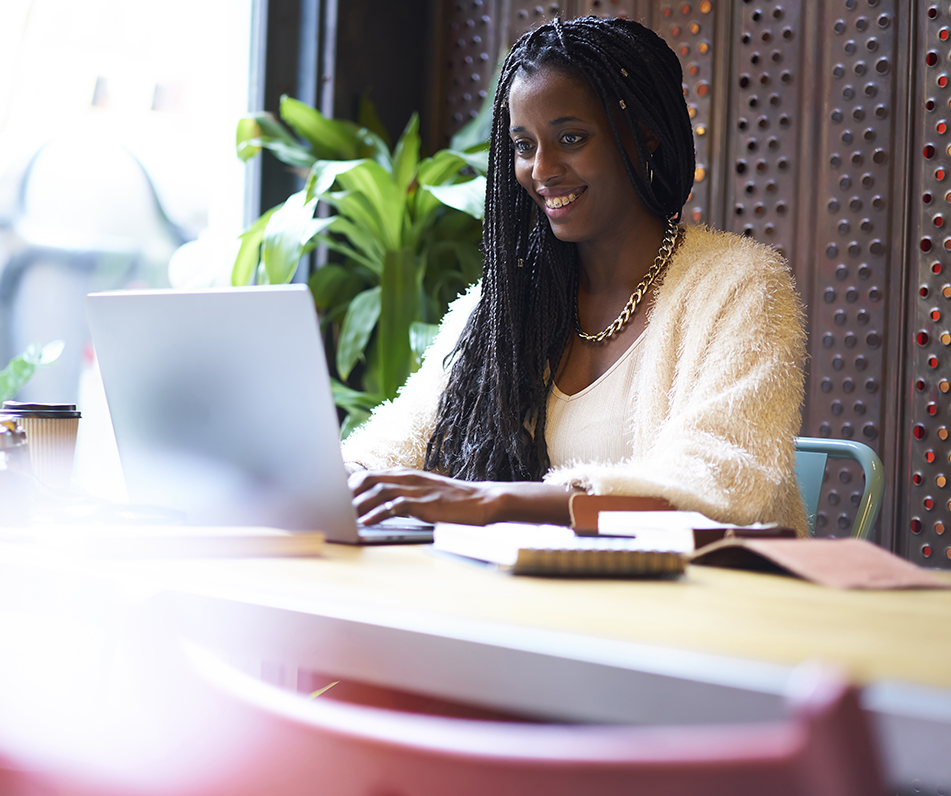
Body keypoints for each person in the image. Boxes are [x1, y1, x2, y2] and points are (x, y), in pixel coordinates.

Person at [343, 16, 808, 533]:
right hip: (536, 598)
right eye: (523, 146)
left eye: (570, 137)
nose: (541, 169)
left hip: (700, 599)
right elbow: (397, 442)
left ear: (645, 136)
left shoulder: (741, 285)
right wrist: (344, 476)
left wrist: (496, 502)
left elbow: (720, 487)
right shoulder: (505, 304)